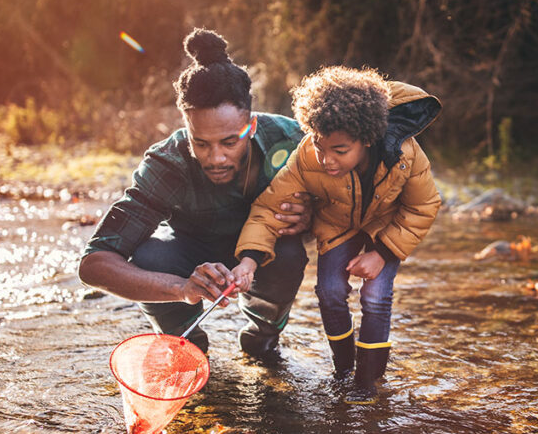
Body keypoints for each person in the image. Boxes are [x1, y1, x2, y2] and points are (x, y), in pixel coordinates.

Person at [78, 28, 310, 360]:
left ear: (252, 126)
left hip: (266, 254)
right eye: (200, 143)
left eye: (230, 142)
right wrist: (180, 289)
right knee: (150, 257)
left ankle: (263, 336)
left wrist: (311, 216)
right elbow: (94, 264)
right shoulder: (167, 163)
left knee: (290, 254)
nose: (216, 158)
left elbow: (351, 199)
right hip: (188, 253)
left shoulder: (292, 141)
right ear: (186, 126)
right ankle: (187, 347)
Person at [230, 65, 442, 403]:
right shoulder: (306, 158)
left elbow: (424, 205)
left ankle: (367, 382)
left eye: (339, 151)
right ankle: (343, 370)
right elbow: (269, 209)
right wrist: (249, 259)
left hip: (384, 229)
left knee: (375, 295)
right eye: (319, 146)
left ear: (367, 139)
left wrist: (383, 254)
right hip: (336, 225)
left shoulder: (405, 155)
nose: (326, 159)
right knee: (328, 291)